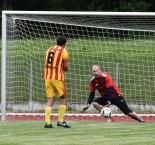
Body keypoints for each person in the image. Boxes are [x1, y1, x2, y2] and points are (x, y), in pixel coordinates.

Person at [43, 36, 71, 128]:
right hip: (57, 77)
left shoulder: (49, 49)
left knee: (50, 99)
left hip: (47, 77)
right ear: (64, 44)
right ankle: (60, 121)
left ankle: (47, 123)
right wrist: (66, 69)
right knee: (63, 97)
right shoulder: (63, 50)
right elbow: (66, 66)